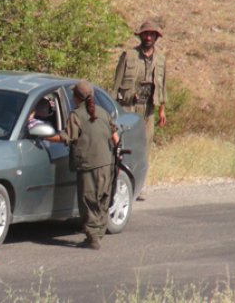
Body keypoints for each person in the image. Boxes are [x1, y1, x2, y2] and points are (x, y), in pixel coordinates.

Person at [46, 80, 119, 250]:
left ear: (77, 97)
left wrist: (46, 137)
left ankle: (93, 238)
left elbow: (66, 137)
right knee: (102, 198)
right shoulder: (103, 112)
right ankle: (98, 232)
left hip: (88, 164)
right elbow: (115, 138)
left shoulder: (76, 115)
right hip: (106, 162)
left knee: (88, 200)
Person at [111, 20, 168, 201]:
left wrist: (162, 110)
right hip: (129, 107)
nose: (148, 37)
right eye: (145, 34)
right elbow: (116, 84)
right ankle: (122, 184)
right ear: (141, 35)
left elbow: (162, 86)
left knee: (144, 146)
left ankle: (140, 186)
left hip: (148, 110)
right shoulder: (129, 55)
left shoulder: (160, 59)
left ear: (156, 37)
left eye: (152, 34)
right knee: (126, 145)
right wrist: (114, 108)